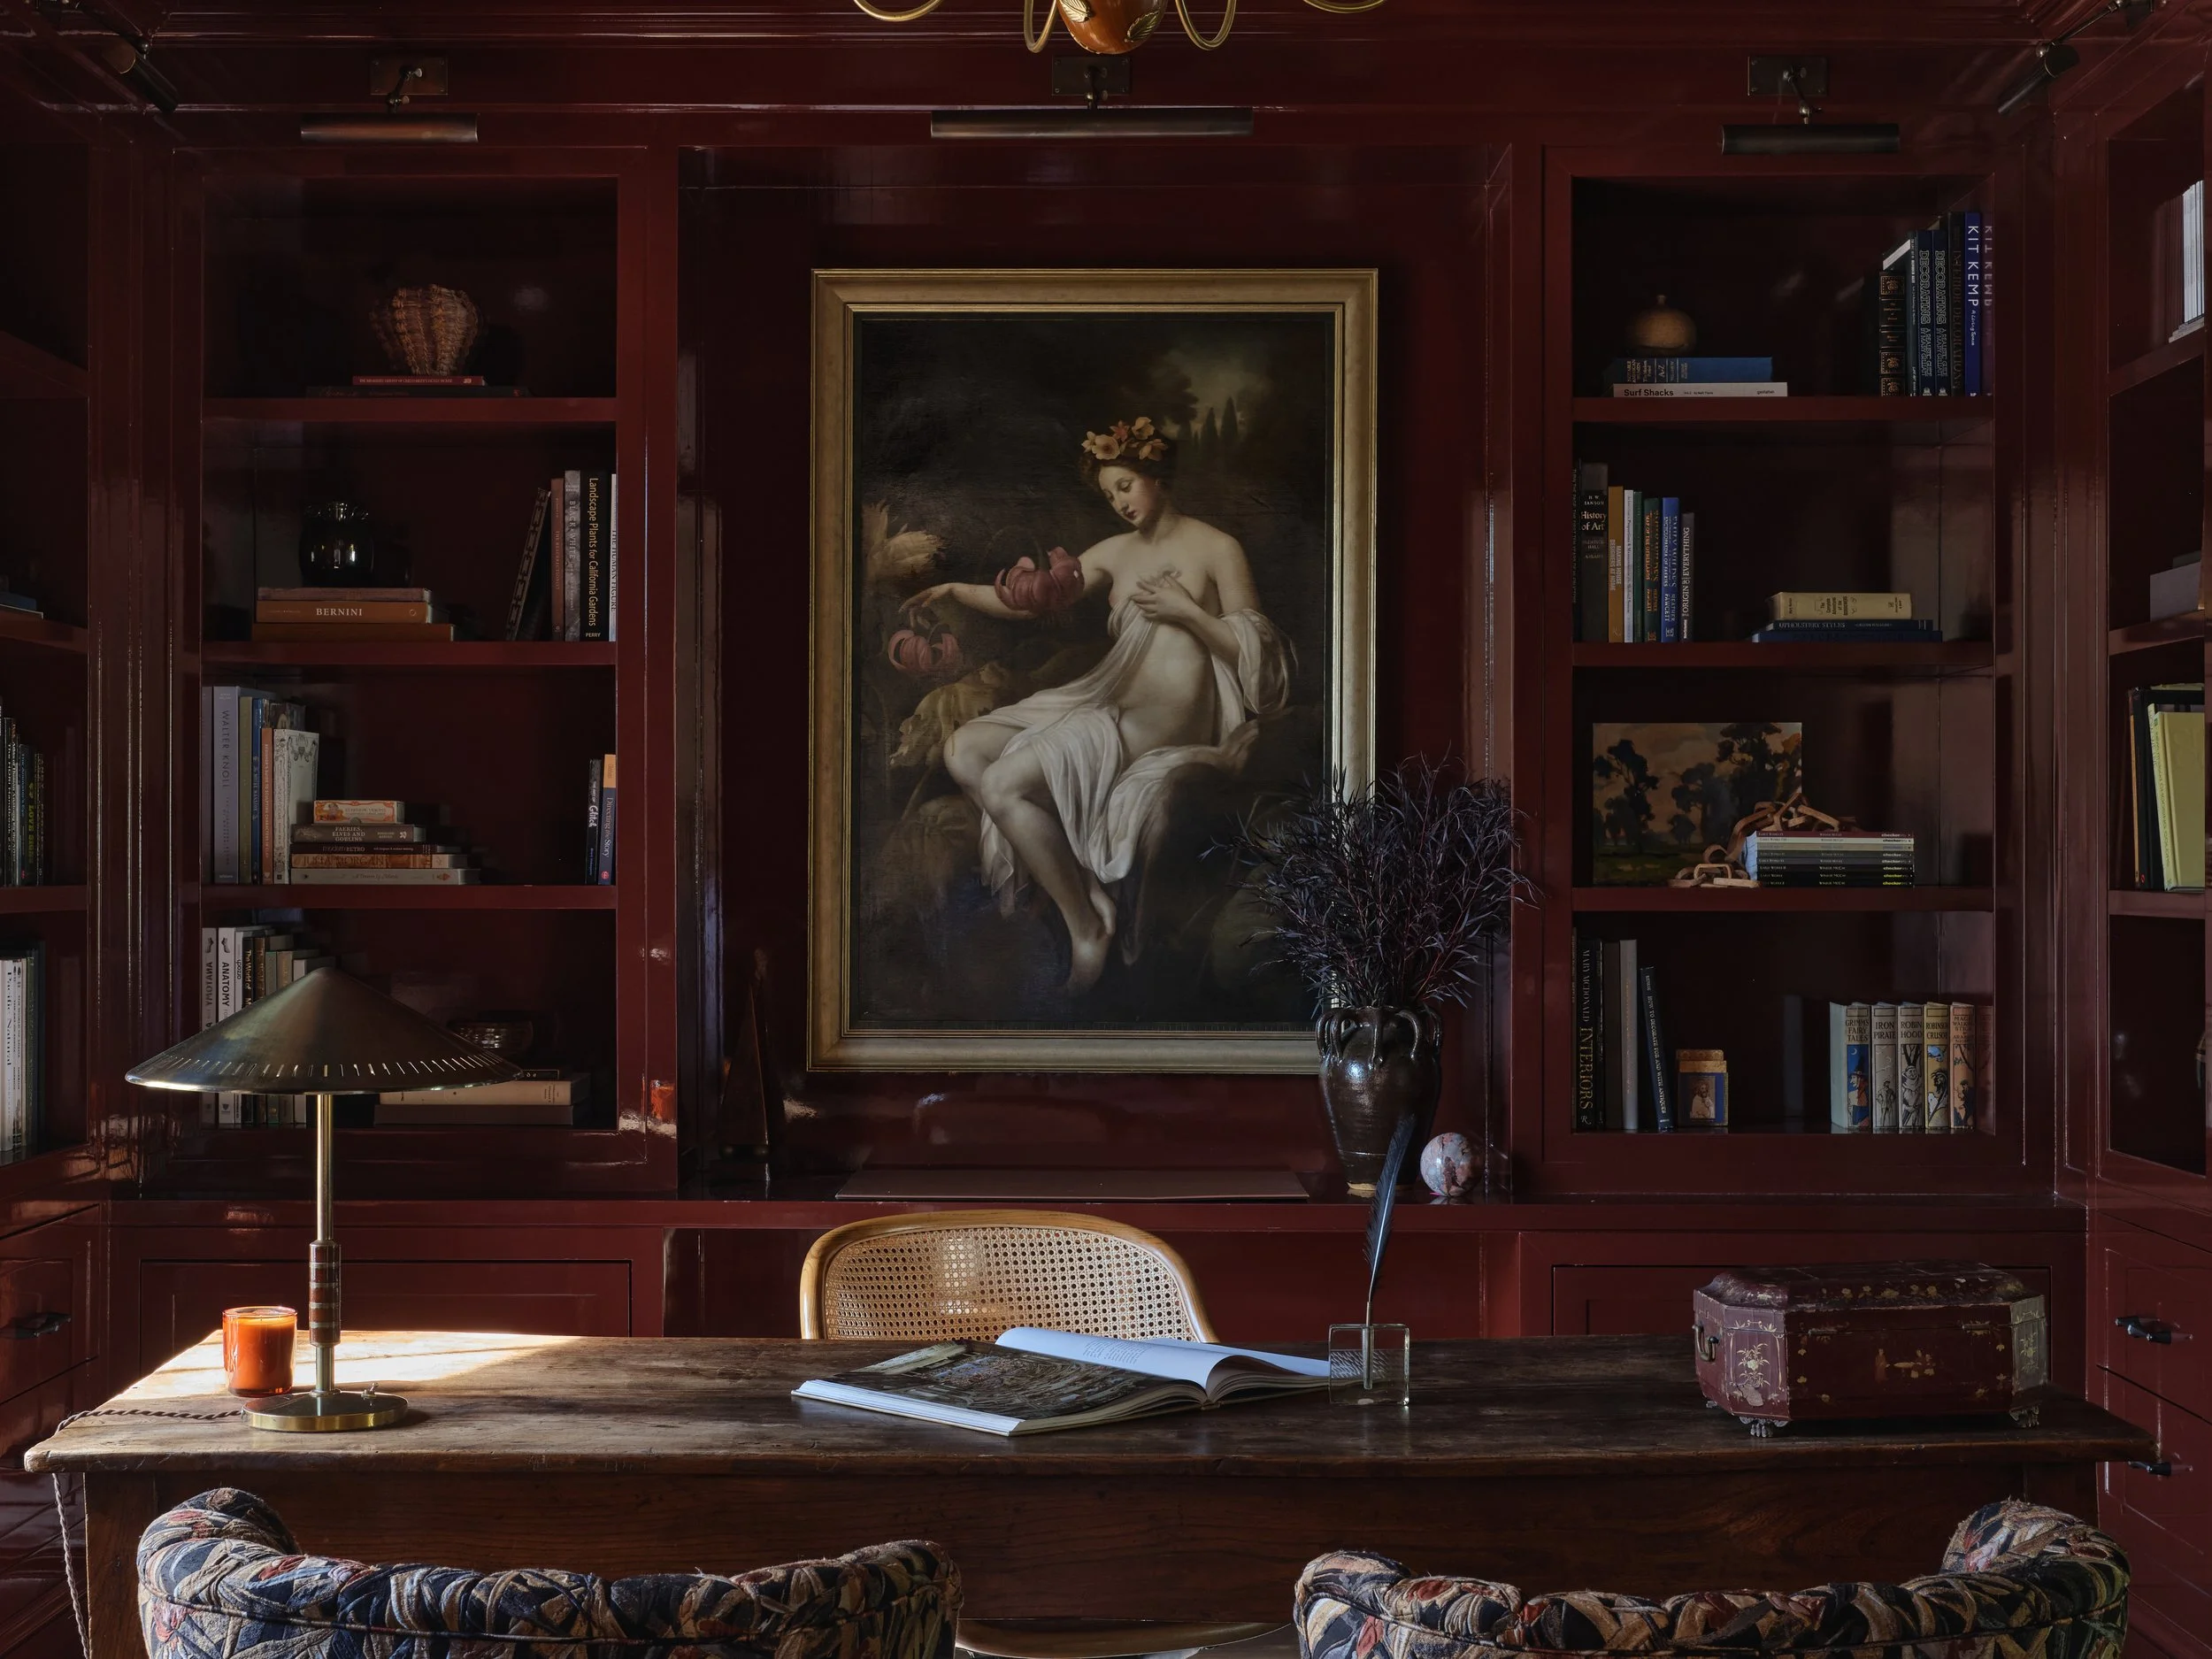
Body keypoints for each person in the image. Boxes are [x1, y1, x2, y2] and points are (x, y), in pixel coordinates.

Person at [911, 417, 1293, 994]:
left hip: (1166, 720)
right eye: (1110, 494)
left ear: (1156, 475)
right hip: (1108, 699)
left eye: (1126, 485)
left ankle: (1086, 926)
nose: (1120, 502)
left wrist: (1188, 613)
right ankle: (1084, 882)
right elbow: (1033, 599)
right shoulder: (1115, 551)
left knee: (1004, 785)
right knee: (964, 749)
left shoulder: (1218, 547)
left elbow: (1261, 658)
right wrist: (956, 590)